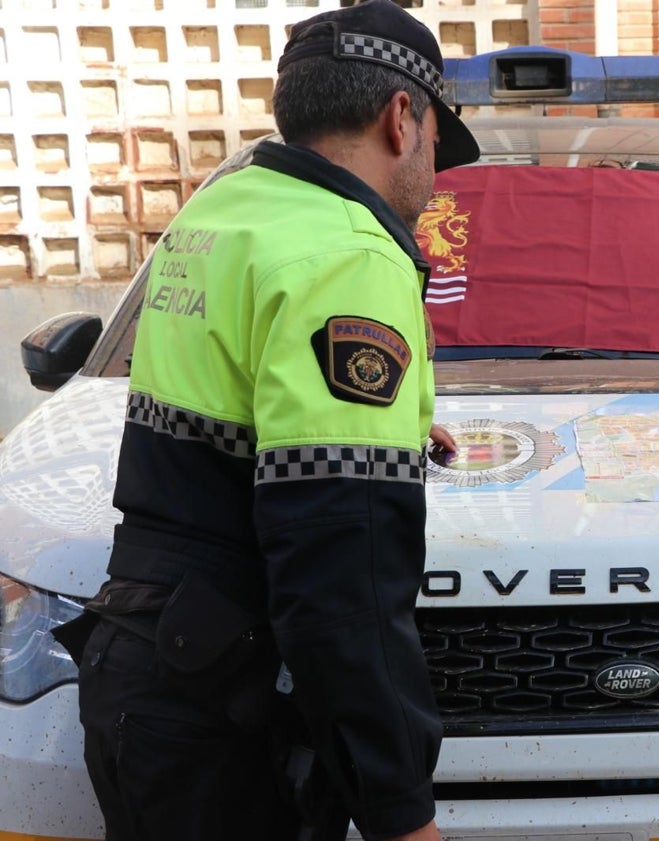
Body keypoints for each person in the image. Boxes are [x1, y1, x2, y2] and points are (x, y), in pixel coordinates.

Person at [52, 1, 479, 839]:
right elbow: (339, 572)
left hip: (149, 674)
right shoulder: (350, 248)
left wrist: (376, 420)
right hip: (229, 723)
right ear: (403, 119)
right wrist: (398, 808)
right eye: (436, 140)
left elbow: (230, 388)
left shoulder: (219, 214)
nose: (434, 169)